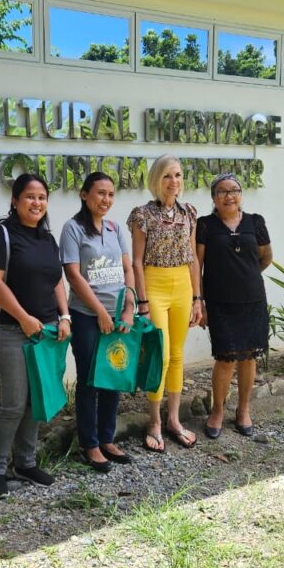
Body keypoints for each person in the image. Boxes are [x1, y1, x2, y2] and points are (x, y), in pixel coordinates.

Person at [0, 173, 71, 499]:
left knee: (36, 402)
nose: (36, 203)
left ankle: (26, 463)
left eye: (42, 197)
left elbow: (57, 280)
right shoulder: (0, 234)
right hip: (11, 331)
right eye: (30, 197)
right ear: (15, 201)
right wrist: (23, 318)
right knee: (13, 404)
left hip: (46, 333)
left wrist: (64, 316)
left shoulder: (47, 239)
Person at [127, 154, 203, 452]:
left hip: (183, 284)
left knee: (178, 354)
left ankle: (174, 420)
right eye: (168, 176)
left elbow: (193, 258)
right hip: (155, 285)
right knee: (161, 354)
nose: (175, 181)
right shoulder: (142, 214)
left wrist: (198, 298)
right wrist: (142, 301)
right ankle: (154, 421)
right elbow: (135, 261)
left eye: (178, 175)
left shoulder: (190, 213)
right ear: (157, 180)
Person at [61, 172, 136, 472]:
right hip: (86, 316)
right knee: (90, 379)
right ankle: (89, 443)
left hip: (117, 315)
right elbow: (73, 275)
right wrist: (101, 313)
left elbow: (128, 269)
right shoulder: (72, 229)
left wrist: (129, 308)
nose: (105, 199)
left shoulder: (116, 228)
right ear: (84, 195)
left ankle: (107, 438)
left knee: (113, 377)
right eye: (100, 193)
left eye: (110, 194)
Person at [195, 173, 273, 438]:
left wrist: (245, 275)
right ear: (213, 198)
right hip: (219, 301)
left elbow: (265, 257)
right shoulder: (204, 225)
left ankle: (243, 410)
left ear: (241, 194)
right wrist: (201, 302)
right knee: (226, 357)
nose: (229, 195)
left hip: (252, 299)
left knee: (249, 356)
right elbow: (197, 266)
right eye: (222, 191)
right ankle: (217, 410)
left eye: (234, 190)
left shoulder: (255, 222)